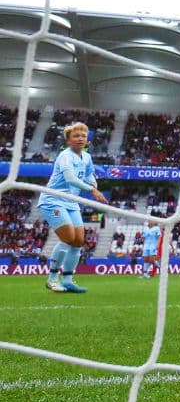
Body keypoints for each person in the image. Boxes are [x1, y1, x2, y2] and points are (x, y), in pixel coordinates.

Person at [39, 122, 108, 293]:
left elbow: (88, 173)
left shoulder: (86, 157)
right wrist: (92, 190)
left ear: (87, 140)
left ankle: (68, 279)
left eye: (83, 136)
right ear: (68, 141)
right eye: (76, 136)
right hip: (53, 200)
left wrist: (93, 182)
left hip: (71, 202)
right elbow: (70, 178)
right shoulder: (65, 156)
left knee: (78, 241)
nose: (80, 139)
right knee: (68, 238)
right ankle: (53, 279)